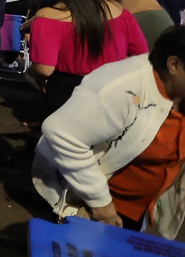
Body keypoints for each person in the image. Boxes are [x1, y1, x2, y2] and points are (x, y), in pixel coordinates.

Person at [32, 27, 185, 238]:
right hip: (100, 211)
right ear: (174, 65)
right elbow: (60, 132)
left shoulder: (178, 92)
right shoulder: (124, 87)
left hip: (145, 215)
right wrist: (101, 204)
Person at [29, 0, 149, 118]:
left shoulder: (47, 16)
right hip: (114, 91)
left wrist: (30, 72)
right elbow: (141, 54)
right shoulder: (117, 10)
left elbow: (44, 69)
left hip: (68, 94)